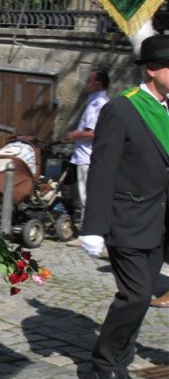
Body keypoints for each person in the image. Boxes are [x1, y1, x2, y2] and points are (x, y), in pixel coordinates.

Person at [79, 34, 169, 379]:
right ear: (152, 70)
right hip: (127, 219)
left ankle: (120, 365)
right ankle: (103, 364)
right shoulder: (123, 109)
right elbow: (103, 169)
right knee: (134, 296)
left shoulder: (166, 109)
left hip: (159, 223)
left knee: (142, 299)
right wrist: (93, 227)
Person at [65, 68, 110, 246]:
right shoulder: (99, 102)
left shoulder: (97, 105)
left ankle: (87, 235)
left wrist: (73, 135)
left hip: (86, 156)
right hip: (88, 155)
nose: (86, 84)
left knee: (86, 197)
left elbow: (92, 132)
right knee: (87, 196)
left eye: (89, 81)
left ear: (97, 84)